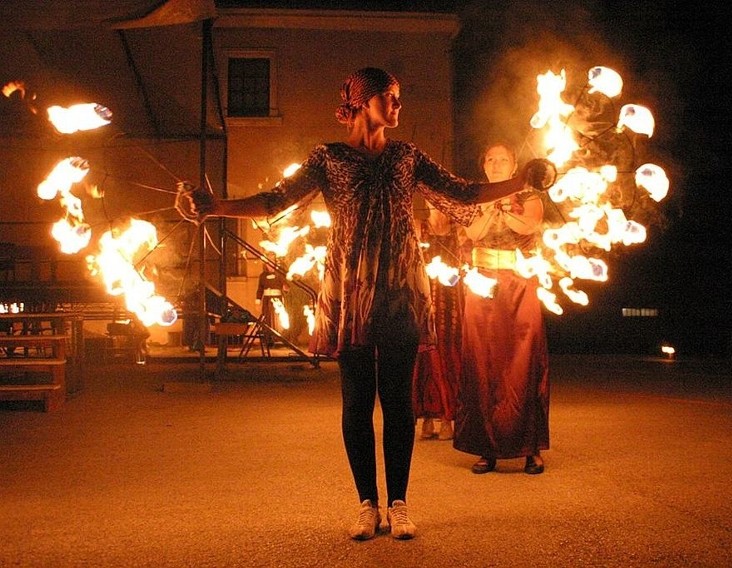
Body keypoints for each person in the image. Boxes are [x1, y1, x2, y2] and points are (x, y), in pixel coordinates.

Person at [175, 68, 552, 540]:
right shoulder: (328, 158)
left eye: (399, 98)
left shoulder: (406, 157)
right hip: (350, 290)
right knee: (356, 403)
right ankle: (366, 505)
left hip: (399, 290)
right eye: (389, 98)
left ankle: (398, 504)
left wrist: (520, 181)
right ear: (361, 101)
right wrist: (215, 206)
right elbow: (275, 201)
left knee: (397, 403)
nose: (397, 106)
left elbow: (464, 193)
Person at [453, 142, 550, 475]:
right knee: (482, 362)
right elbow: (473, 232)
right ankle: (486, 448)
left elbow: (529, 227)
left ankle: (530, 449)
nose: (495, 163)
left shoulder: (529, 195)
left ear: (514, 166)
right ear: (484, 165)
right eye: (490, 158)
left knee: (523, 362)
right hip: (482, 287)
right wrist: (491, 206)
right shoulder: (473, 196)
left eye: (502, 159)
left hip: (519, 285)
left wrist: (506, 207)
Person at [411, 205, 462, 441]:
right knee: (424, 356)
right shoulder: (418, 227)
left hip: (450, 299)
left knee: (447, 356)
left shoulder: (457, 229)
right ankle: (426, 417)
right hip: (423, 297)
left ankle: (447, 417)